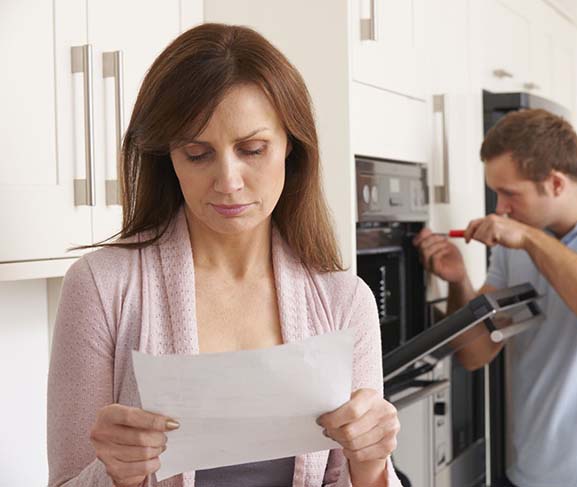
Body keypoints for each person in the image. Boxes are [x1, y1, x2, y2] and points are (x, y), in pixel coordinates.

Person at [47, 23, 402, 487]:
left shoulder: (342, 301)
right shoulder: (102, 286)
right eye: (198, 154)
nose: (228, 180)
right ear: (168, 158)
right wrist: (115, 474)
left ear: (291, 148)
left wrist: (372, 464)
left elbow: (351, 477)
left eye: (252, 149)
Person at [414, 109, 577, 487]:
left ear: (555, 183)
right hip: (529, 475)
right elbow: (474, 353)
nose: (501, 209)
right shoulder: (516, 243)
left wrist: (529, 239)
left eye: (510, 194)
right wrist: (459, 282)